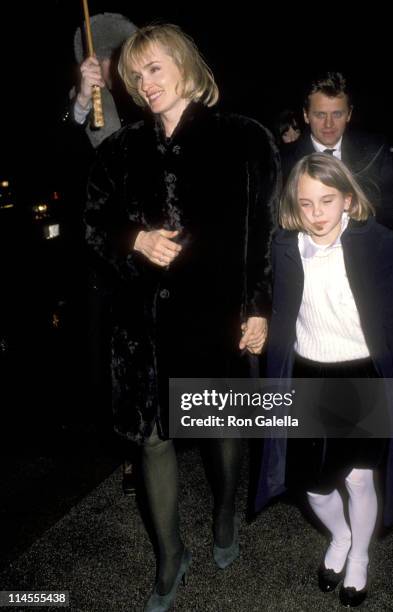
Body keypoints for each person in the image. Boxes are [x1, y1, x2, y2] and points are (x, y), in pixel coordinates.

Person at [84, 23, 279, 611]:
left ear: (185, 66)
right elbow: (92, 231)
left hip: (213, 316)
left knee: (223, 426)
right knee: (151, 440)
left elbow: (262, 236)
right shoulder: (120, 150)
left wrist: (259, 308)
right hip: (140, 326)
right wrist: (133, 240)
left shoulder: (243, 139)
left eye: (155, 69)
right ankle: (171, 556)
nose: (145, 84)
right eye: (135, 75)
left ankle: (224, 514)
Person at [256, 153, 393, 607]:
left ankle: (360, 556)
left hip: (361, 373)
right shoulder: (284, 248)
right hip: (308, 374)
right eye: (306, 204)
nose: (317, 214)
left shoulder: (378, 243)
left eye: (327, 200)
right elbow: (266, 302)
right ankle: (342, 534)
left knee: (361, 480)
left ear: (347, 199)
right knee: (313, 484)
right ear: (294, 206)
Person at [60, 13, 139, 495]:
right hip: (103, 264)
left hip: (151, 254)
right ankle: (132, 452)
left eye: (115, 57)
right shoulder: (87, 107)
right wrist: (75, 104)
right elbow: (62, 168)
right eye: (100, 58)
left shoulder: (147, 99)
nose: (107, 67)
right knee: (111, 362)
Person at [281, 72, 393, 229]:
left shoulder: (375, 149)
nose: (328, 124)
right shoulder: (283, 160)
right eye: (320, 114)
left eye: (337, 114)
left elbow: (388, 218)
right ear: (306, 115)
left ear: (349, 114)